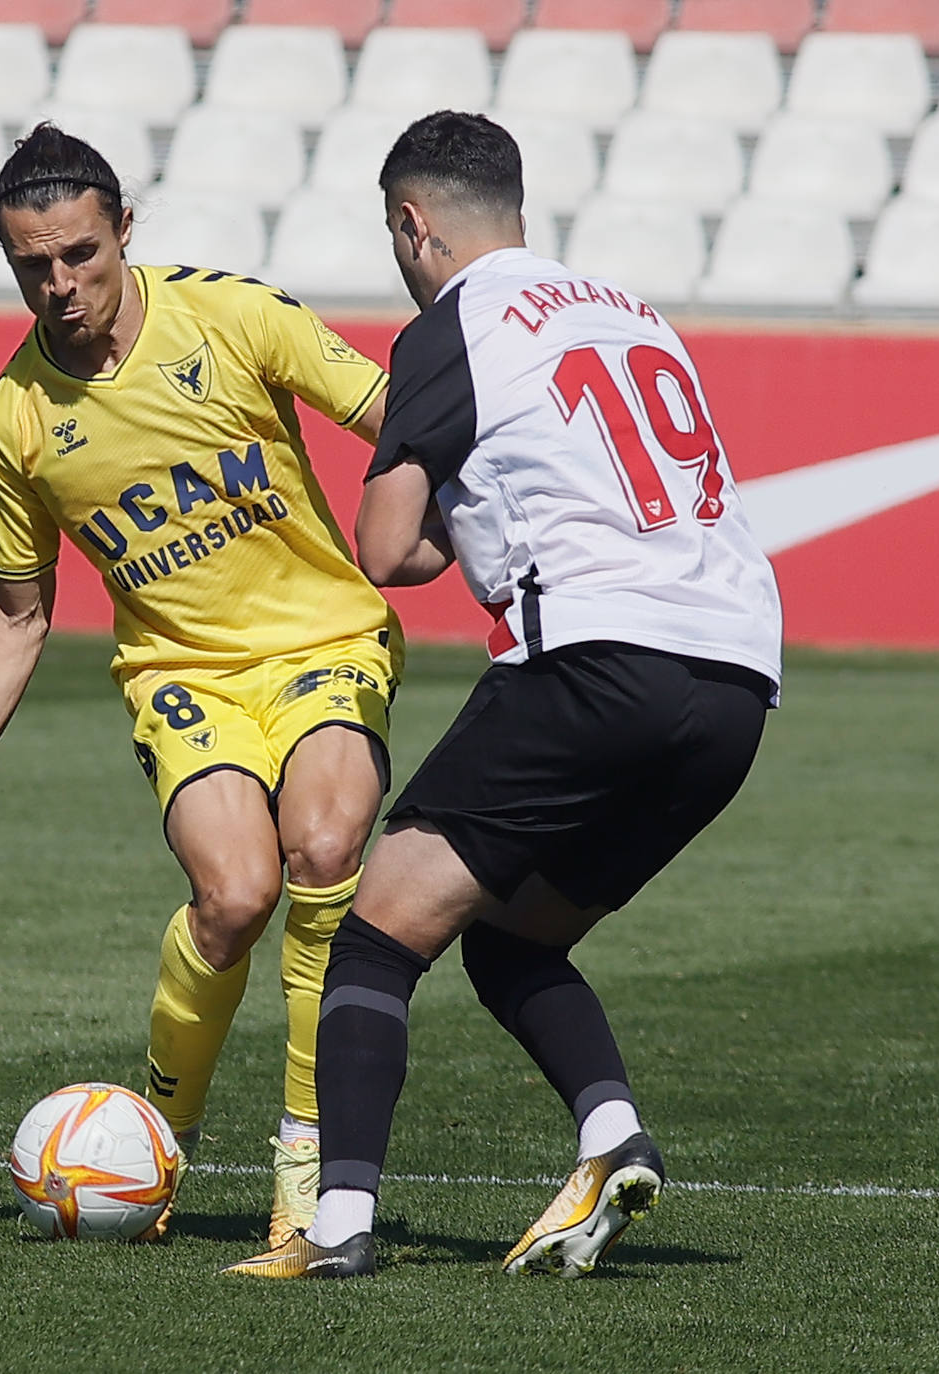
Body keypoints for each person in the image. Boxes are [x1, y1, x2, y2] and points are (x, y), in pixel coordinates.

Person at [223, 110, 783, 1280]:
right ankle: (609, 1133)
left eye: (394, 233)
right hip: (734, 679)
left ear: (412, 224)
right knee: (514, 940)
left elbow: (390, 550)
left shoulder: (453, 322)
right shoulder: (633, 312)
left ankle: (336, 1233)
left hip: (594, 658)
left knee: (374, 939)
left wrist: (436, 517)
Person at [0, 124, 402, 1247]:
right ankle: (156, 1150)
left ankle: (306, 1167)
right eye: (32, 266)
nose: (60, 285)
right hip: (180, 673)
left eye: (80, 255)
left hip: (323, 641)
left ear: (124, 229)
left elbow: (399, 419)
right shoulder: (15, 418)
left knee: (325, 849)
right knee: (234, 897)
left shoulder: (232, 317)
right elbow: (17, 609)